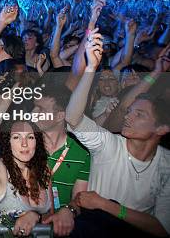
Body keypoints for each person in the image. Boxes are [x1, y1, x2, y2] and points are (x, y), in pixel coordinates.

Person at [65, 30, 170, 237]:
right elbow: (73, 118)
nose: (128, 117)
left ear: (161, 128)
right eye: (129, 112)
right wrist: (91, 67)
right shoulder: (109, 144)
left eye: (139, 114)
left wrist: (107, 206)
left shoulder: (167, 164)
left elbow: (163, 228)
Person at [0, 79, 51, 237]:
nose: (24, 144)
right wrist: (0, 111)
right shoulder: (0, 170)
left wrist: (35, 215)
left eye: (30, 137)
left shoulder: (43, 171)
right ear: (8, 143)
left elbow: (51, 216)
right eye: (16, 137)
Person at [31, 82, 91, 237]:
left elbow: (79, 198)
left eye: (41, 109)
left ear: (60, 116)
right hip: (29, 226)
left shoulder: (82, 152)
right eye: (34, 107)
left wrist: (68, 210)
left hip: (63, 230)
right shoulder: (25, 145)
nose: (33, 112)